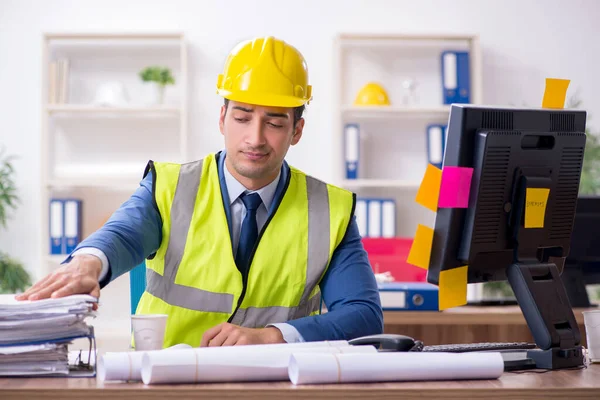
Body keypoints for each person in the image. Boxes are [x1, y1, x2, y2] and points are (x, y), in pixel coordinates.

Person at [17, 36, 383, 347]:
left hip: (274, 385)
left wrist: (269, 336)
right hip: (166, 384)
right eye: (242, 118)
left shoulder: (329, 210)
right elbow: (124, 233)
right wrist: (89, 263)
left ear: (297, 131)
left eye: (274, 122)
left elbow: (363, 316)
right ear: (222, 118)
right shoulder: (170, 186)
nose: (255, 138)